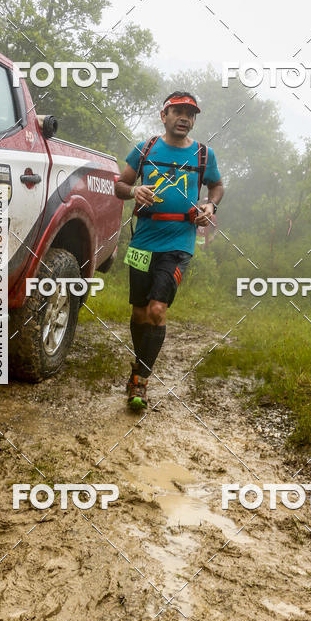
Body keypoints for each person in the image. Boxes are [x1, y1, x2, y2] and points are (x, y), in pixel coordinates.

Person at [114, 91, 224, 410]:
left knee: (157, 310)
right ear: (164, 116)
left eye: (190, 114)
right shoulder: (145, 148)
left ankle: (141, 380)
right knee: (139, 311)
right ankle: (139, 367)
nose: (184, 118)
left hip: (179, 243)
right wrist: (135, 190)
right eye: (178, 112)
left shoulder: (203, 155)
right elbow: (119, 186)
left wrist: (210, 205)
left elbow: (217, 186)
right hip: (142, 241)